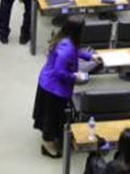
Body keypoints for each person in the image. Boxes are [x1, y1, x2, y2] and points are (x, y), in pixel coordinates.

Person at [32, 16, 101, 158]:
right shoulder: (67, 49)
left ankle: (50, 139)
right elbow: (60, 72)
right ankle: (48, 145)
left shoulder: (65, 39)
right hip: (54, 88)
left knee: (52, 115)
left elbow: (76, 51)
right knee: (52, 117)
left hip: (48, 82)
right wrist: (75, 76)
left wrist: (90, 56)